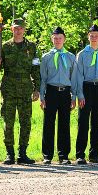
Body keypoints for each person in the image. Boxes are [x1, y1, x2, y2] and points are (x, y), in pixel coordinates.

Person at [0, 18, 40, 165]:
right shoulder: (5, 47)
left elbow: (36, 68)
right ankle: (10, 153)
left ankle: (22, 153)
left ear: (24, 29)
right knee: (9, 122)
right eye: (15, 28)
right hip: (9, 88)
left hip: (26, 88)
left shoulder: (31, 47)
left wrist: (37, 88)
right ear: (11, 29)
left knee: (25, 122)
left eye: (20, 28)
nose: (18, 30)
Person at [73, 24, 98, 164]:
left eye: (96, 35)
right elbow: (78, 76)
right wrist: (80, 95)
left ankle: (94, 154)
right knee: (83, 122)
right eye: (91, 35)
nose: (94, 38)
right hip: (86, 88)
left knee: (97, 123)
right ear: (88, 37)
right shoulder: (82, 55)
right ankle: (80, 154)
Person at [40, 27, 76, 165]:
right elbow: (43, 78)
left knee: (64, 124)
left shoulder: (71, 57)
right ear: (51, 39)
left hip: (65, 93)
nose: (57, 40)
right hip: (51, 91)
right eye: (55, 38)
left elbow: (74, 78)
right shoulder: (46, 57)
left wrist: (74, 96)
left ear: (64, 39)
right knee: (48, 124)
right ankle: (47, 155)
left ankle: (63, 155)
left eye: (60, 38)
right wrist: (42, 97)